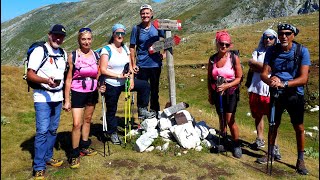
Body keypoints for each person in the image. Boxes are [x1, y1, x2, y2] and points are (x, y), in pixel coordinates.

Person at [259, 24, 310, 175]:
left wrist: (284, 83)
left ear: (293, 35)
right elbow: (264, 74)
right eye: (281, 34)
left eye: (287, 33)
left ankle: (300, 159)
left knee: (299, 127)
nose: (284, 37)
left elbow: (304, 78)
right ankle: (270, 153)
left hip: (295, 94)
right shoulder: (272, 50)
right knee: (273, 125)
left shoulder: (302, 51)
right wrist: (271, 81)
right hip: (276, 93)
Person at [100, 24, 155, 144]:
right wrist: (118, 75)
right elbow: (103, 70)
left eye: (122, 33)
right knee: (112, 109)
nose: (120, 36)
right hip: (112, 84)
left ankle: (142, 109)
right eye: (117, 33)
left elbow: (129, 66)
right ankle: (112, 133)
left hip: (125, 82)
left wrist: (131, 79)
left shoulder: (125, 48)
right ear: (113, 34)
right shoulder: (106, 50)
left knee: (144, 86)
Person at [26, 24, 67, 180]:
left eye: (61, 36)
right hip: (43, 97)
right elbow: (30, 74)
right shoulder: (39, 51)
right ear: (49, 35)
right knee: (42, 131)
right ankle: (39, 166)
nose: (58, 38)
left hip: (57, 97)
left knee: (52, 130)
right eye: (55, 35)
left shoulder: (62, 53)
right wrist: (45, 81)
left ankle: (48, 157)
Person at [63, 27, 102, 169]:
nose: (86, 42)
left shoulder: (96, 55)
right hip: (77, 91)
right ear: (79, 40)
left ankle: (84, 145)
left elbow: (97, 74)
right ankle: (74, 154)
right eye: (83, 39)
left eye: (89, 39)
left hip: (92, 91)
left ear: (92, 39)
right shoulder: (73, 55)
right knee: (76, 123)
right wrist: (67, 100)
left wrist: (100, 85)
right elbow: (68, 79)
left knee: (88, 119)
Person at [207, 30, 243, 158]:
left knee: (229, 119)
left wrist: (227, 85)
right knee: (221, 118)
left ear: (230, 46)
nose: (224, 47)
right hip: (217, 93)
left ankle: (236, 144)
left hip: (231, 92)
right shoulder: (212, 59)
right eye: (221, 44)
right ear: (217, 43)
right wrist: (210, 94)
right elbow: (209, 77)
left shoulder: (234, 58)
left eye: (227, 45)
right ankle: (223, 141)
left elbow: (239, 77)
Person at [247, 29, 281, 160]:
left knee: (272, 119)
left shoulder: (277, 53)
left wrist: (257, 66)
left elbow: (271, 68)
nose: (268, 40)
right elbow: (251, 64)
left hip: (269, 89)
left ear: (275, 39)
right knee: (258, 115)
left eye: (271, 37)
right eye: (266, 37)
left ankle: (275, 147)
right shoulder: (258, 51)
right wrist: (265, 67)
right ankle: (259, 139)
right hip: (256, 88)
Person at [129, 4, 165, 118]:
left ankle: (155, 112)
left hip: (155, 64)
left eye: (147, 13)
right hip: (142, 65)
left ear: (151, 14)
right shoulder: (137, 28)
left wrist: (164, 53)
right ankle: (142, 113)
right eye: (143, 13)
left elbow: (166, 39)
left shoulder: (158, 27)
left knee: (155, 90)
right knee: (142, 90)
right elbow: (132, 47)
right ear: (140, 15)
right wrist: (133, 64)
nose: (145, 15)